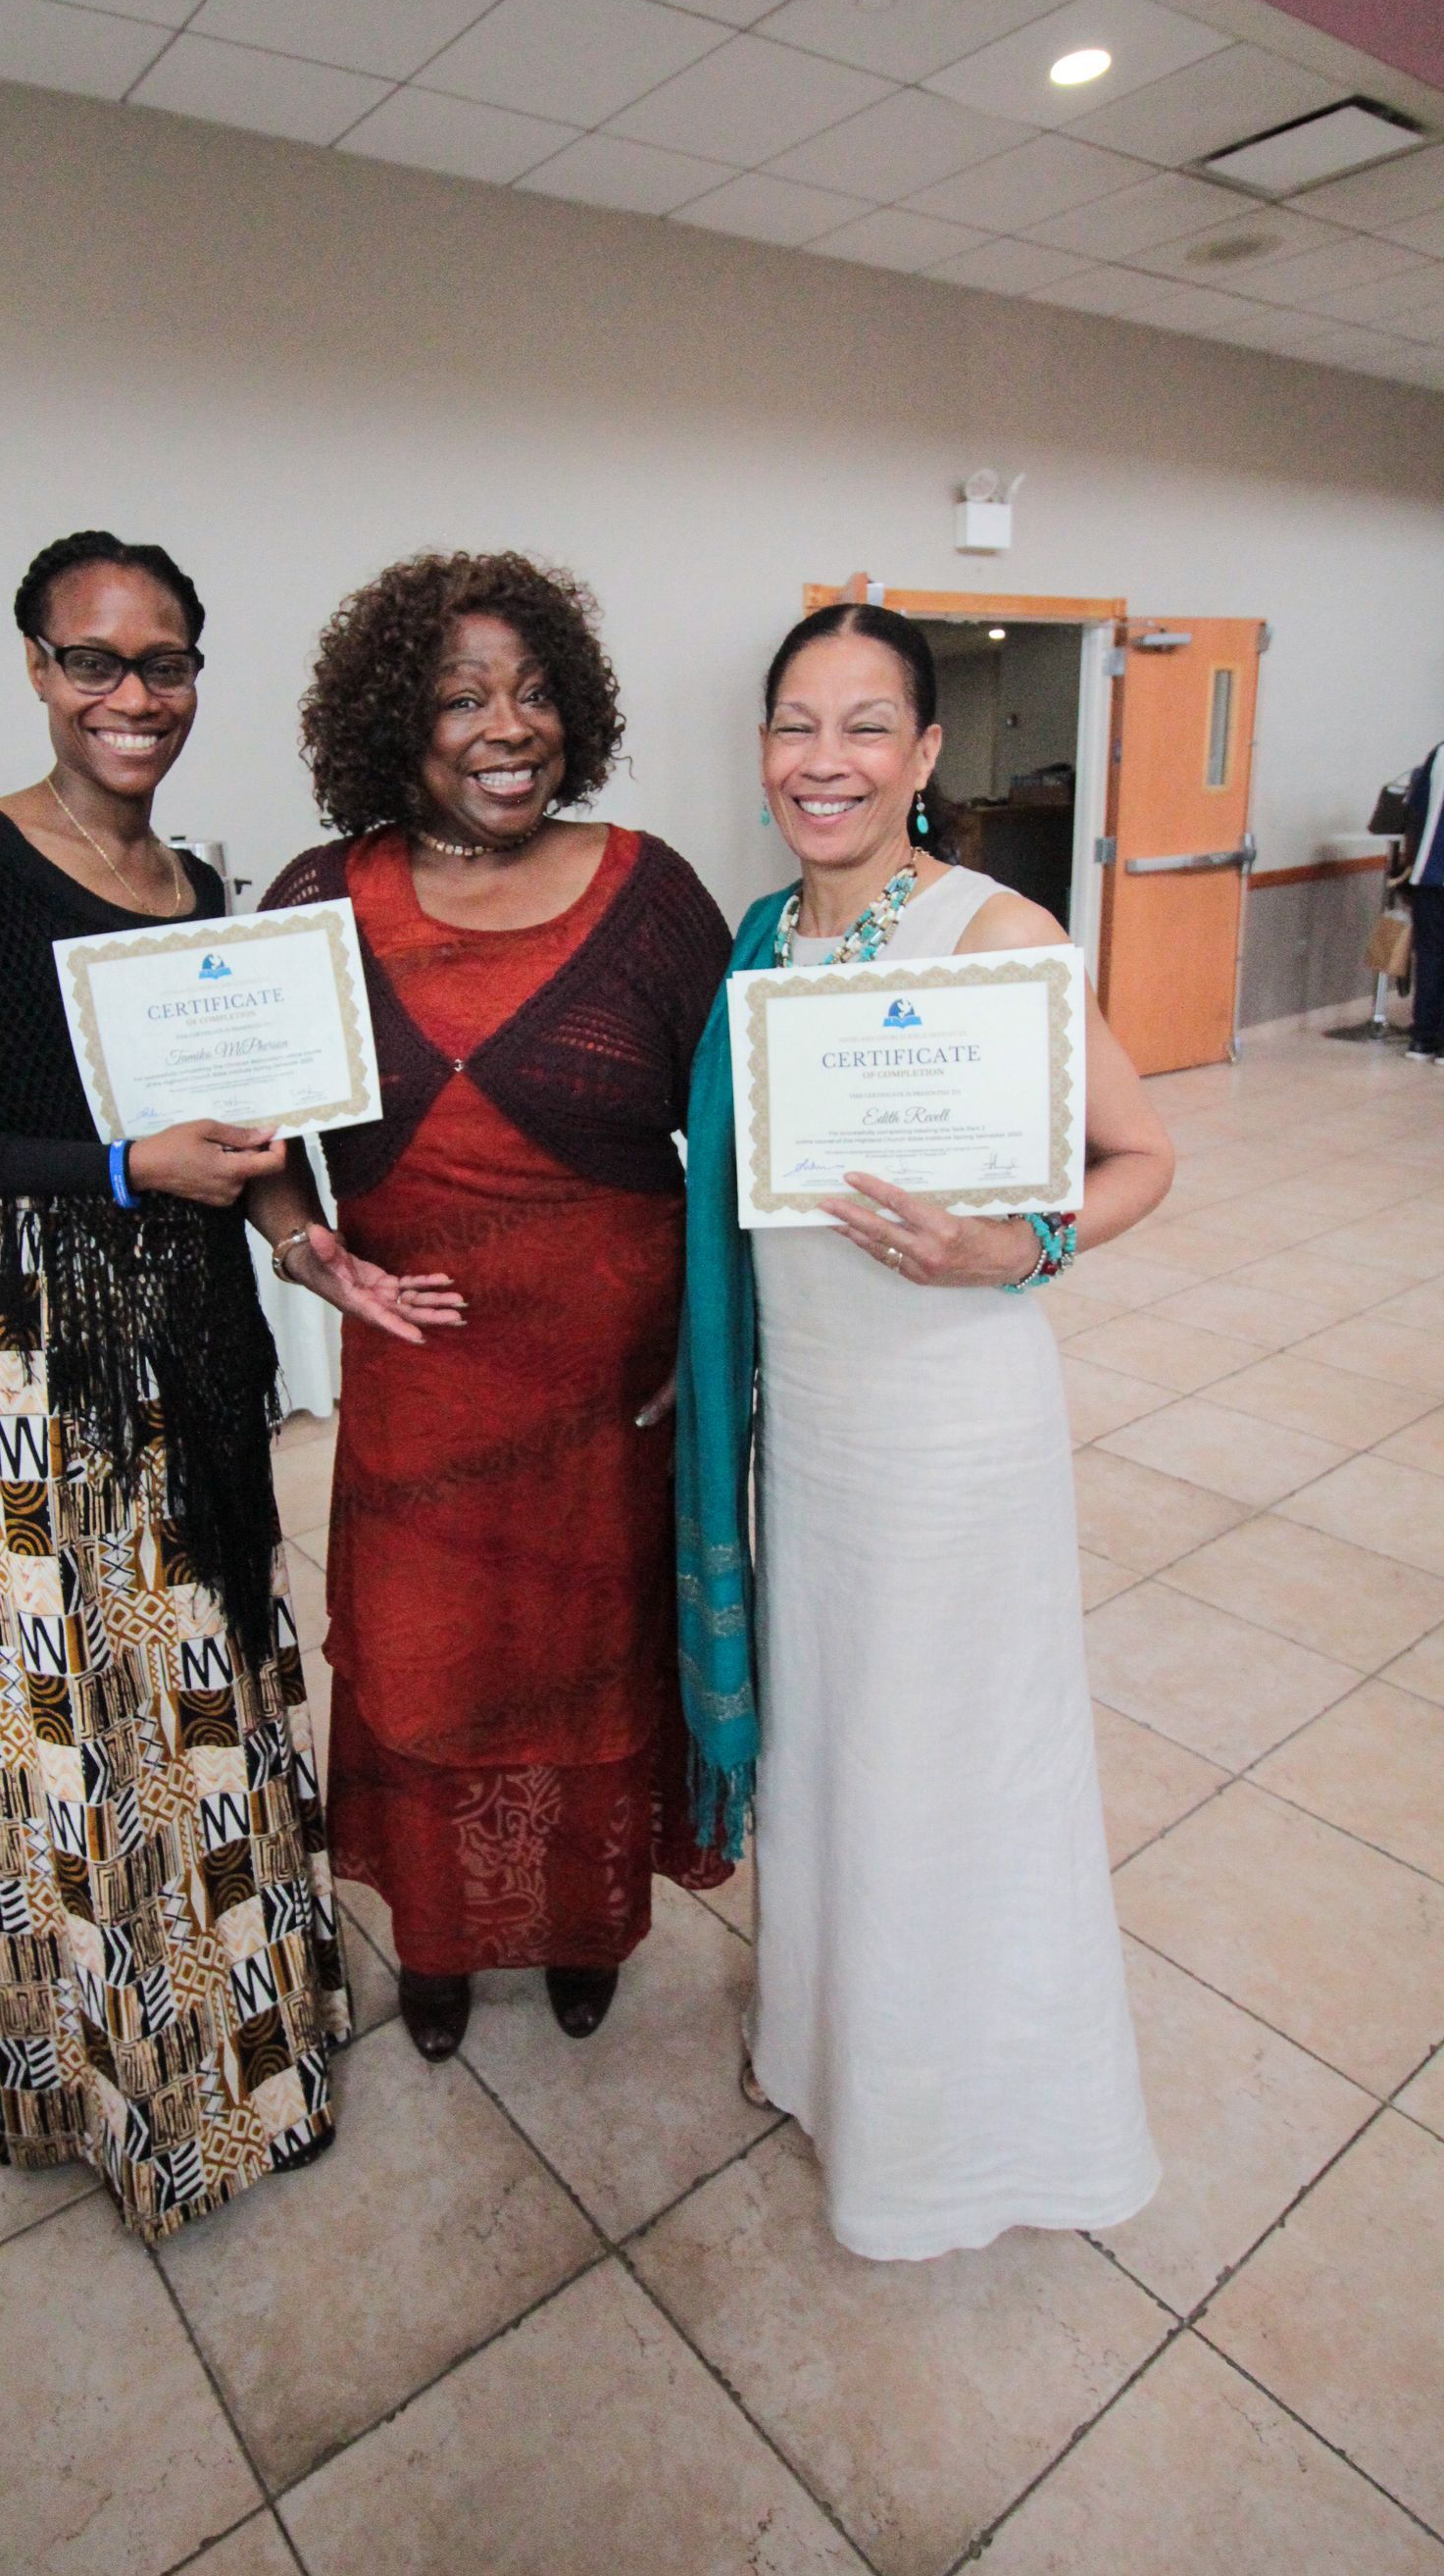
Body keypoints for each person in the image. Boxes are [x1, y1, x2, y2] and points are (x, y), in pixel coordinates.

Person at [0, 529, 458, 2238]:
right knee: (82, 1739)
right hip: (35, 1361)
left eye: (166, 662)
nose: (134, 696)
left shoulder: (201, 890)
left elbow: (241, 1143)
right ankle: (125, 2101)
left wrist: (299, 1235)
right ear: (37, 669)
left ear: (200, 672)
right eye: (95, 661)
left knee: (209, 1693)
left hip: (188, 1343)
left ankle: (254, 2060)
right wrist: (125, 1170)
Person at [675, 601, 1171, 2262]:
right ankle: (833, 2064)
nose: (828, 762)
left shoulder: (987, 928)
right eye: (796, 725)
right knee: (835, 1755)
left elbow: (1141, 1156)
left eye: (867, 725)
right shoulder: (758, 944)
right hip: (808, 1431)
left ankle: (968, 2131)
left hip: (955, 1427)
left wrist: (1013, 1244)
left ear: (928, 753)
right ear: (764, 753)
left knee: (955, 1761)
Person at [262, 551, 732, 2060]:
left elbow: (741, 1141)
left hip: (610, 1384)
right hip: (425, 1381)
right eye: (462, 697)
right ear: (398, 722)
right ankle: (448, 1947)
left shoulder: (650, 892)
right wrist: (297, 1241)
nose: (505, 725)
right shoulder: (319, 900)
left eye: (533, 692)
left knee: (589, 1671)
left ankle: (585, 1927)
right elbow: (250, 1136)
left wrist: (709, 1340)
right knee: (430, 1661)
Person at [1400, 737, 1444, 1060]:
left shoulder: (1439, 753)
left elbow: (1414, 809)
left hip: (1429, 875)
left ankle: (1423, 1039)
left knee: (1429, 957)